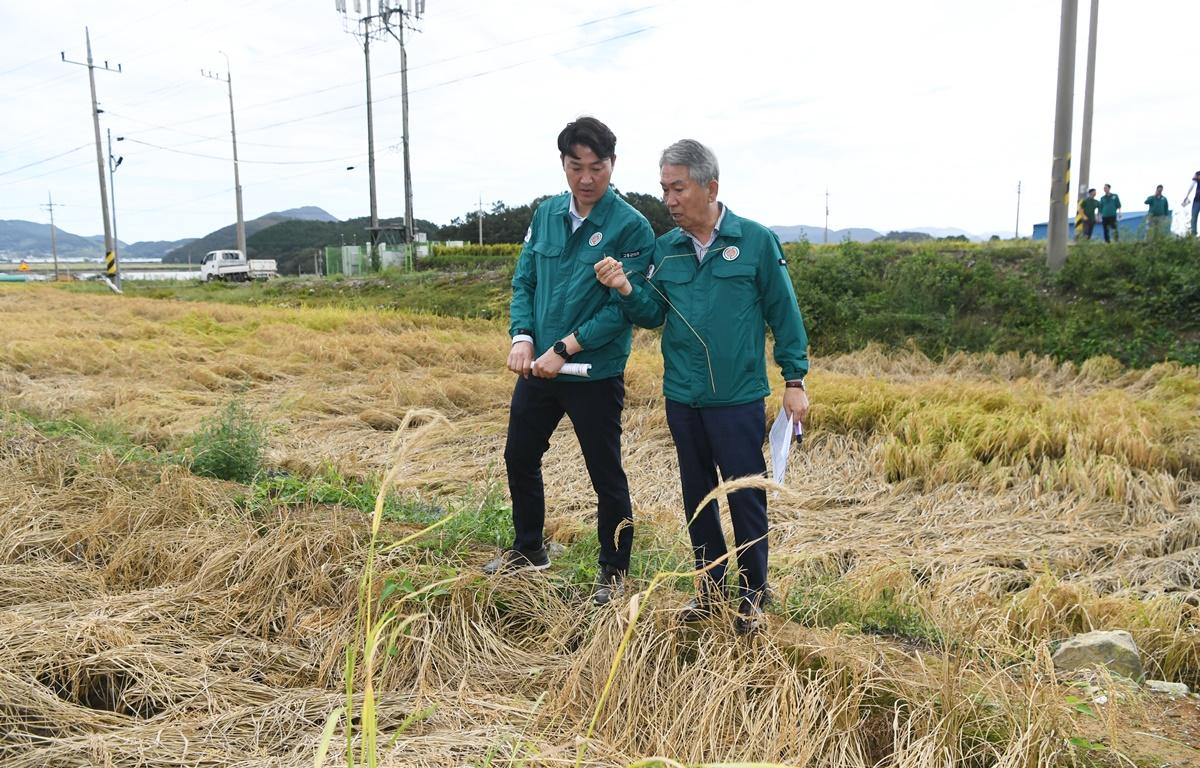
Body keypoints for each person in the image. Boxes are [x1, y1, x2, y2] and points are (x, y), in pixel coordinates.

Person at [594, 139, 810, 635]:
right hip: (683, 398)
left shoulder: (753, 241)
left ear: (710, 187)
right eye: (664, 188)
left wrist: (794, 378)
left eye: (678, 188)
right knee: (699, 498)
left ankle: (753, 596)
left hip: (736, 400)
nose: (668, 199)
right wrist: (626, 288)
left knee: (744, 498)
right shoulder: (665, 250)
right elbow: (651, 314)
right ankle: (710, 592)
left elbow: (784, 312)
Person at [486, 116, 655, 608]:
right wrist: (522, 337)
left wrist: (564, 349)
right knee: (519, 455)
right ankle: (529, 547)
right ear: (563, 164)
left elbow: (623, 307)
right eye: (576, 166)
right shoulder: (546, 215)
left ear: (613, 166)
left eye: (596, 167)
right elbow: (525, 282)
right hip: (539, 367)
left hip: (591, 372)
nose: (586, 178)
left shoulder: (631, 227)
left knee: (605, 473)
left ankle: (615, 569)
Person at [1184, 171, 1200, 236]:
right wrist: (1187, 196)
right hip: (1197, 200)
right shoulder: (1198, 173)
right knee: (1194, 216)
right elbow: (1192, 185)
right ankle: (1193, 234)